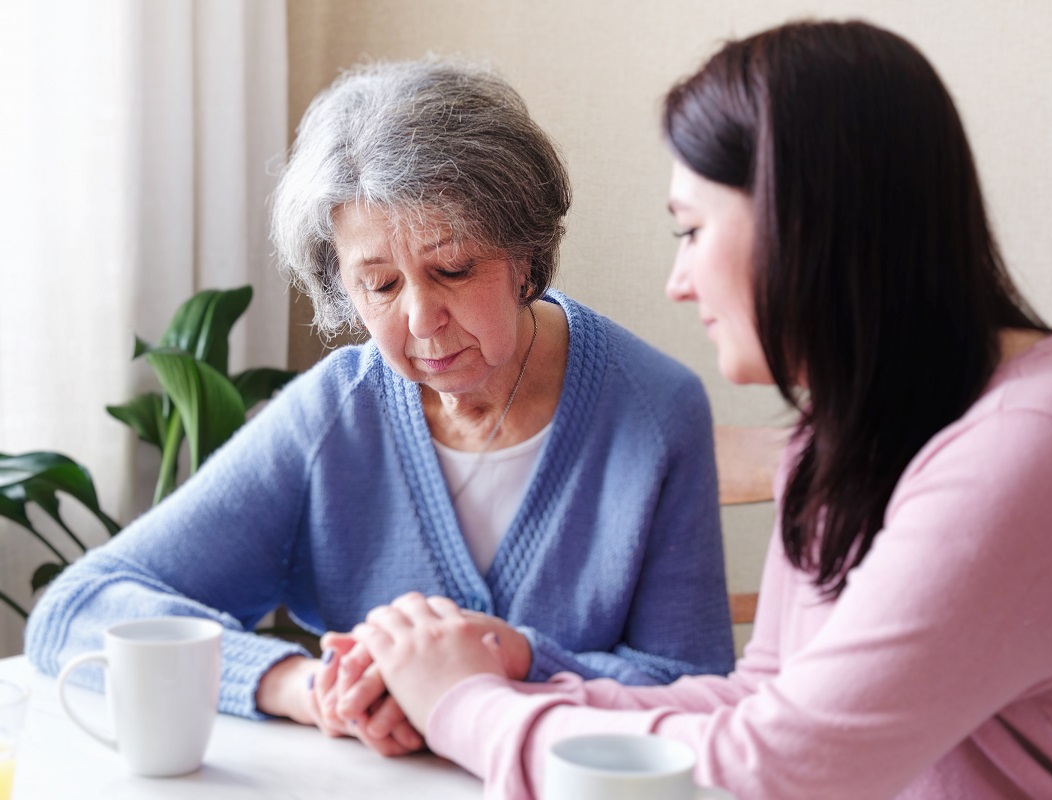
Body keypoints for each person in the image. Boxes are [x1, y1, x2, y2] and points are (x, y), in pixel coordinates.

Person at [337, 20, 1052, 798]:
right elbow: (766, 698)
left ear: (804, 220)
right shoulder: (851, 431)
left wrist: (465, 708)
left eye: (691, 230)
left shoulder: (1038, 449)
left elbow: (783, 766)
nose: (678, 281)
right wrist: (511, 674)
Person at [24, 60, 735, 757]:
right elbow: (77, 608)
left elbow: (695, 693)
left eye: (452, 269)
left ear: (525, 253)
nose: (422, 319)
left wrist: (507, 661)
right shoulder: (336, 414)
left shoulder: (655, 410)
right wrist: (302, 684)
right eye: (380, 285)